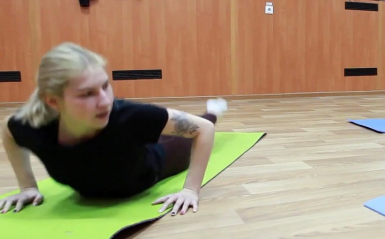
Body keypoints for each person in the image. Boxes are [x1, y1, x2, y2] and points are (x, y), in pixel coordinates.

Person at [0, 42, 228, 216]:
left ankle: (213, 109)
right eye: (87, 93)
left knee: (189, 133)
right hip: (122, 151)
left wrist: (190, 190)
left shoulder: (127, 115)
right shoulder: (32, 127)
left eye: (105, 86)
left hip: (152, 165)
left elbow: (203, 130)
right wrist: (27, 186)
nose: (105, 101)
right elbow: (7, 131)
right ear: (53, 102)